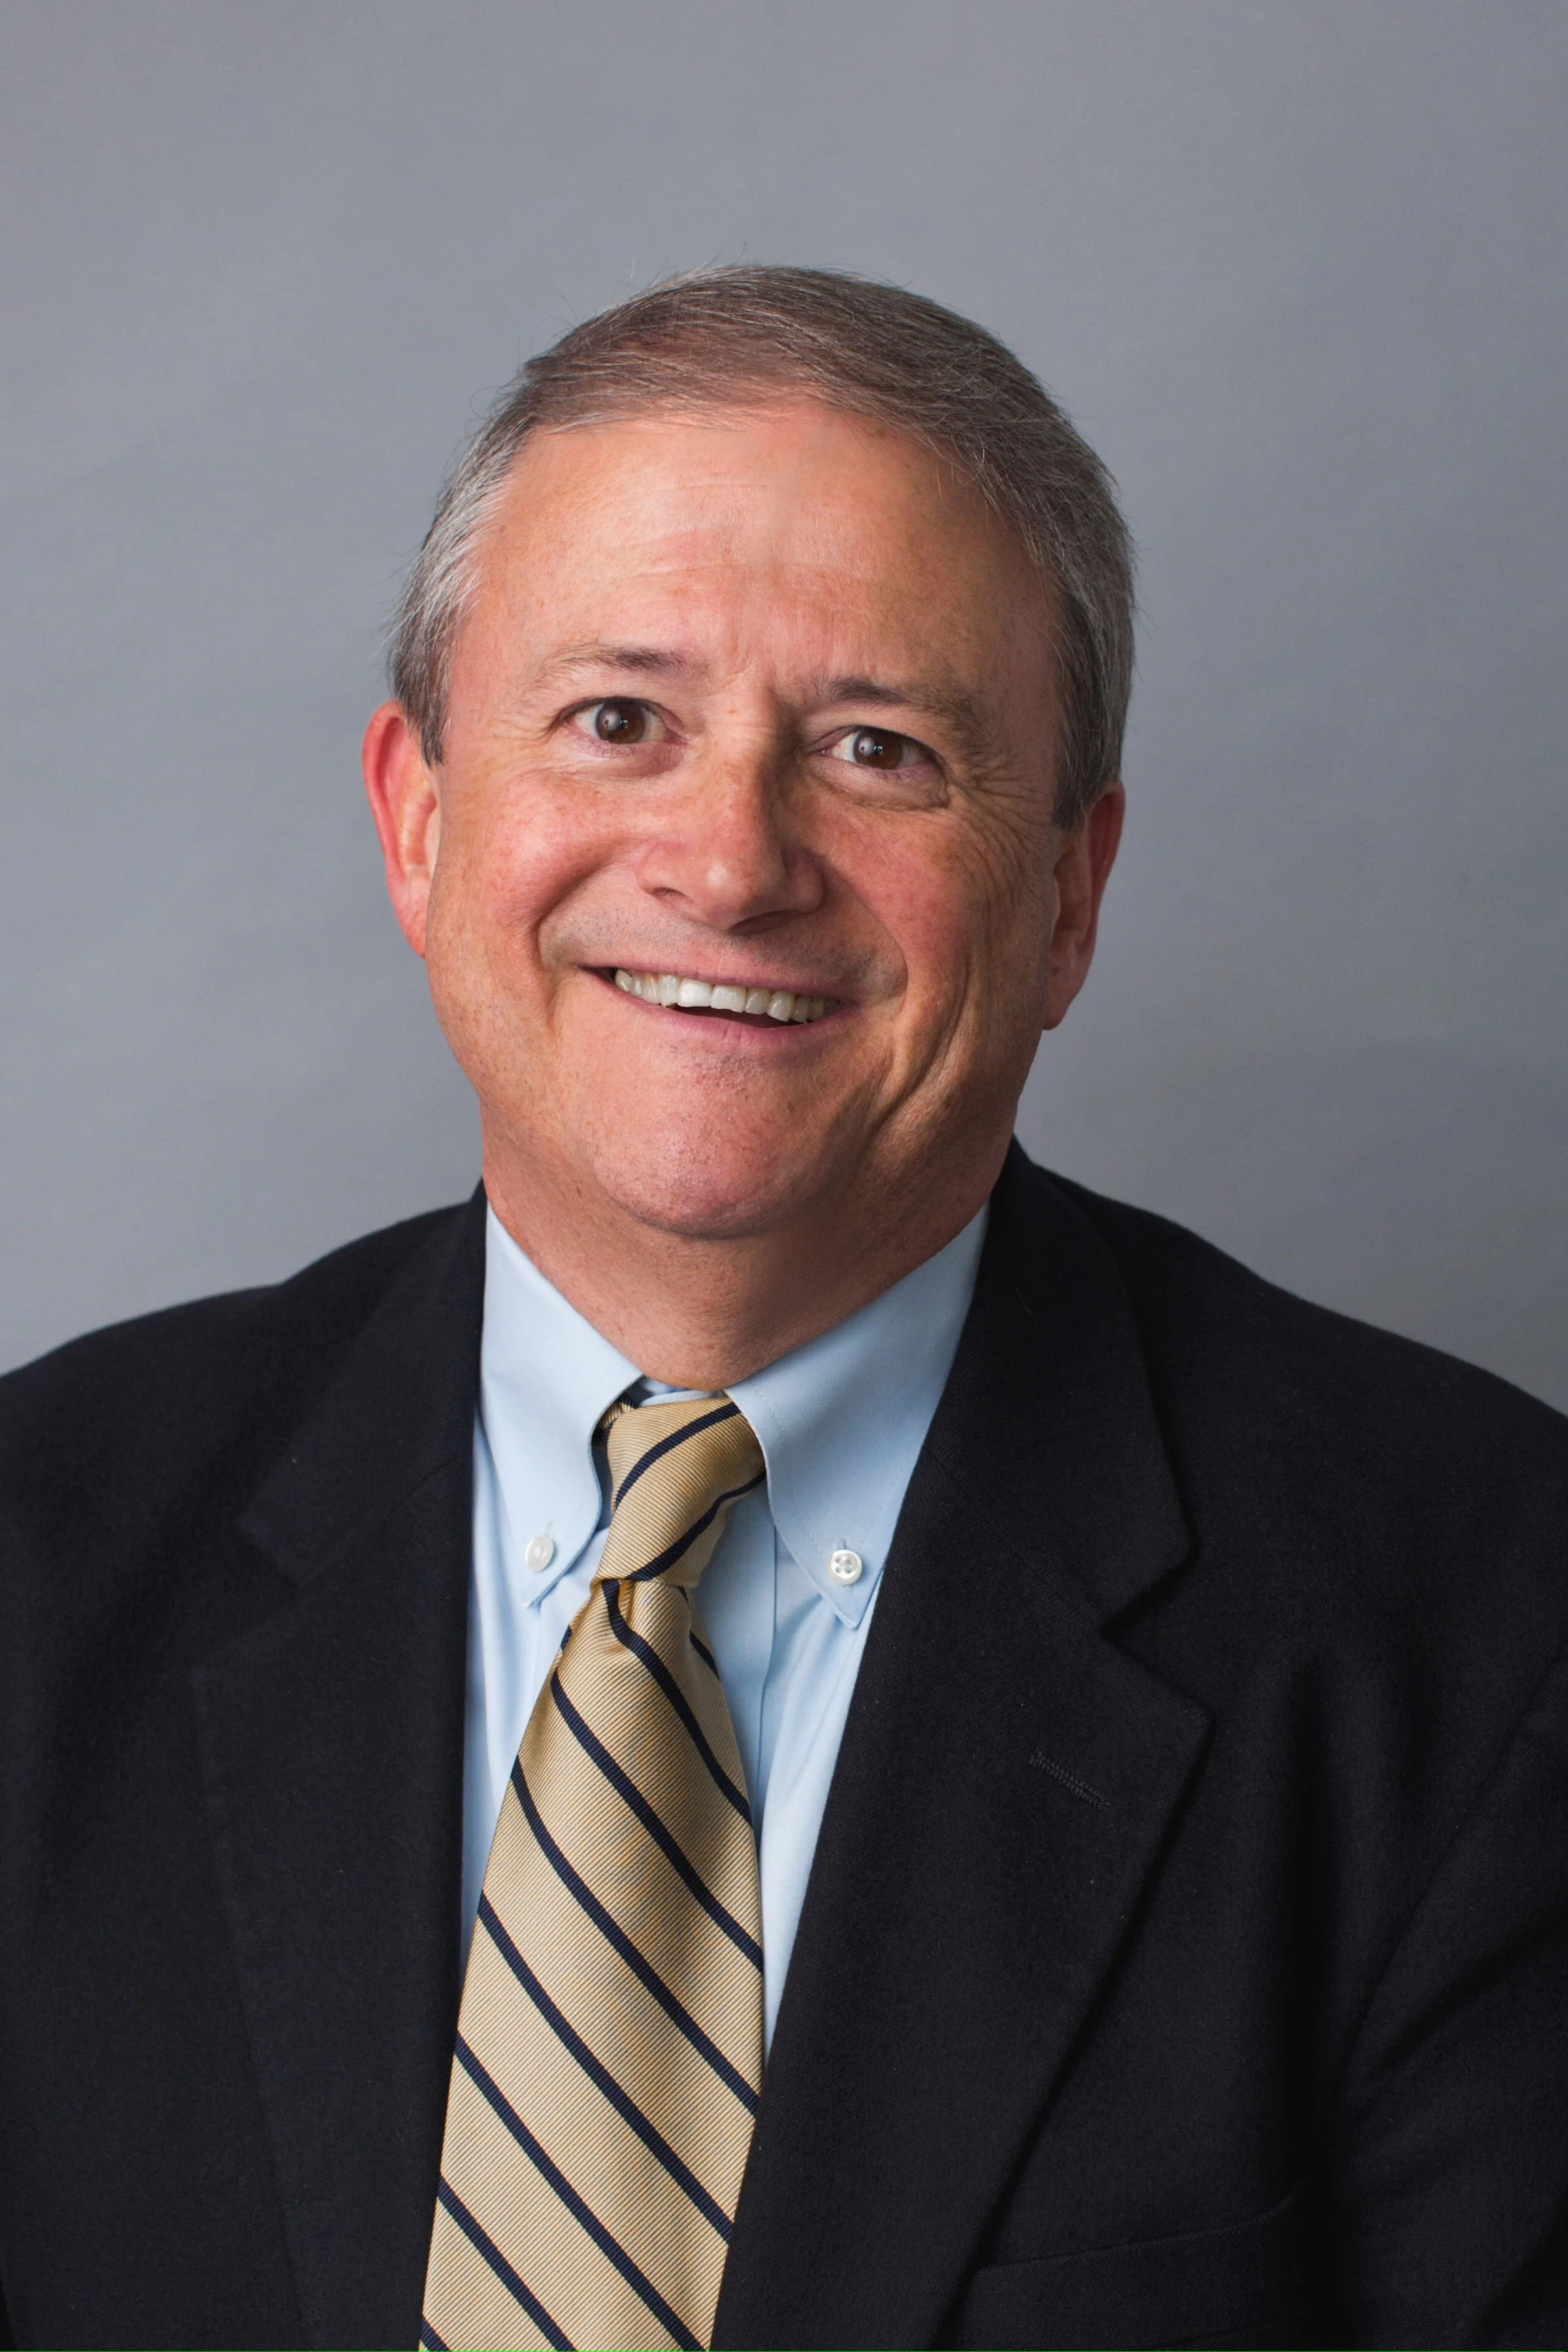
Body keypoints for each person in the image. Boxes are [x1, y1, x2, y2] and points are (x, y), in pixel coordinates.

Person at [1, 265, 1564, 2352]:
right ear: (419, 817)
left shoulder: (1487, 1627)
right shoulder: (35, 1562)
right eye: (620, 720)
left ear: (1070, 898)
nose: (731, 862)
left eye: (877, 749)